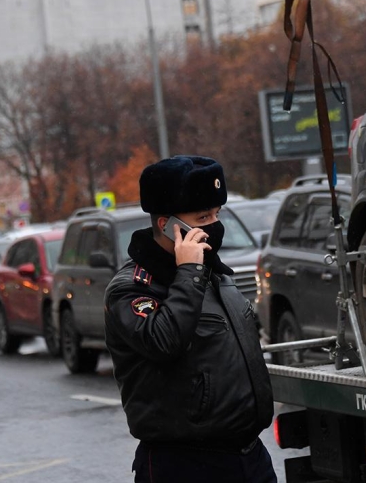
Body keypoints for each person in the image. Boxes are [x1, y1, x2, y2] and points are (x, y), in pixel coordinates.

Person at [104, 155, 275, 483]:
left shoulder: (213, 275)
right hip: (184, 463)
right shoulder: (132, 288)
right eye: (202, 217)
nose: (214, 225)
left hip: (249, 457)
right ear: (166, 225)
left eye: (217, 214)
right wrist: (189, 271)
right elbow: (163, 342)